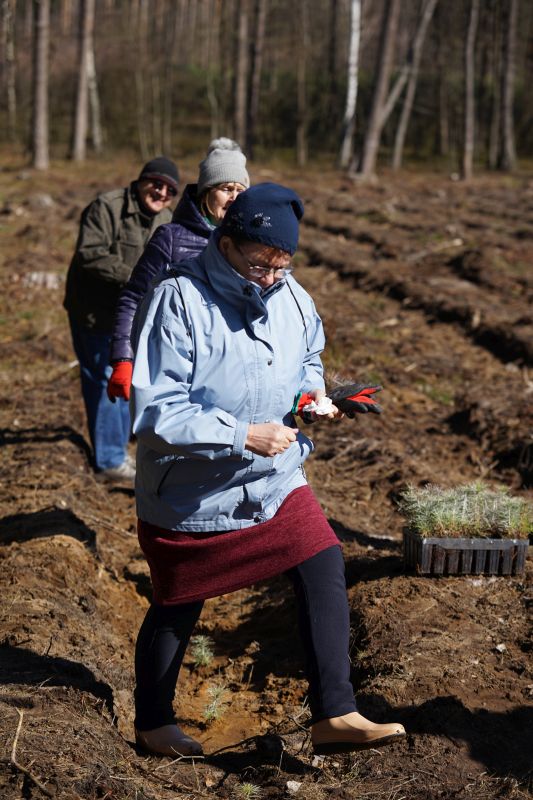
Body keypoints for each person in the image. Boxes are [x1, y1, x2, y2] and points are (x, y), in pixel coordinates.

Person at [129, 183, 406, 758]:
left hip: (273, 479)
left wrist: (312, 397)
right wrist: (241, 434)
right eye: (260, 264)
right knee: (179, 601)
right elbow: (157, 411)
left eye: (282, 266)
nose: (271, 278)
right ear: (226, 242)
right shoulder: (178, 299)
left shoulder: (291, 295)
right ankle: (153, 723)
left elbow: (307, 356)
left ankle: (336, 713)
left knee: (322, 559)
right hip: (191, 489)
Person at [106, 138, 250, 402]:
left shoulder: (249, 244)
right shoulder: (171, 237)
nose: (234, 198)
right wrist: (123, 359)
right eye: (226, 188)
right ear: (206, 191)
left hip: (230, 370)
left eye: (240, 190)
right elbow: (133, 296)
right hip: (176, 364)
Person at [64, 156, 179, 482]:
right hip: (94, 312)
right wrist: (136, 276)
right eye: (155, 183)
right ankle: (110, 461)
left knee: (128, 375)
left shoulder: (167, 218)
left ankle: (123, 441)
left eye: (169, 189)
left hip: (131, 316)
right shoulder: (107, 207)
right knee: (103, 380)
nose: (161, 192)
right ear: (141, 181)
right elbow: (90, 253)